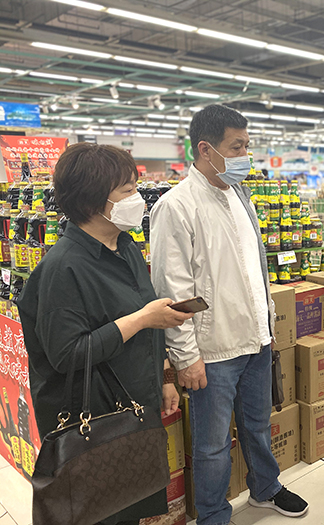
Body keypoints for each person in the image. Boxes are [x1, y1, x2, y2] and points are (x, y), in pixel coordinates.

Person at [17, 143, 193, 525]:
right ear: (92, 202)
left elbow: (146, 319)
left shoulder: (125, 248)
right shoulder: (63, 269)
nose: (137, 198)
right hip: (94, 427)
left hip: (134, 412)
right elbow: (68, 354)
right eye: (127, 190)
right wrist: (141, 319)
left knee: (129, 503)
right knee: (99, 512)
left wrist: (164, 377)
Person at [150, 104, 309, 525]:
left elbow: (254, 269)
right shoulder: (175, 206)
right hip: (213, 350)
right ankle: (214, 515)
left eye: (247, 146)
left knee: (258, 424)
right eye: (236, 147)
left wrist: (267, 324)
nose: (245, 155)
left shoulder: (240, 195)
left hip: (256, 339)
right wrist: (186, 356)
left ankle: (265, 487)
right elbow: (173, 291)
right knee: (213, 444)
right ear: (205, 149)